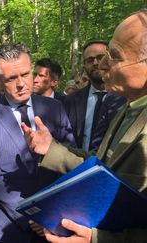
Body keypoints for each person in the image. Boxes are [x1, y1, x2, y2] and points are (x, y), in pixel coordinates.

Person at [22, 9, 147, 243]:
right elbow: (102, 167)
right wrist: (51, 149)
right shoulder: (129, 107)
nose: (102, 65)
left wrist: (96, 238)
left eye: (115, 56)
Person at [0, 43, 76, 243]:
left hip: (57, 223)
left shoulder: (54, 108)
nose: (21, 83)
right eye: (11, 78)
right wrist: (34, 214)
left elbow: (70, 160)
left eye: (26, 74)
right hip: (11, 227)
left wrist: (54, 212)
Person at [64, 40, 126, 151]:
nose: (96, 63)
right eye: (90, 60)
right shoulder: (71, 100)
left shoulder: (126, 96)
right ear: (84, 66)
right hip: (80, 164)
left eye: (101, 57)